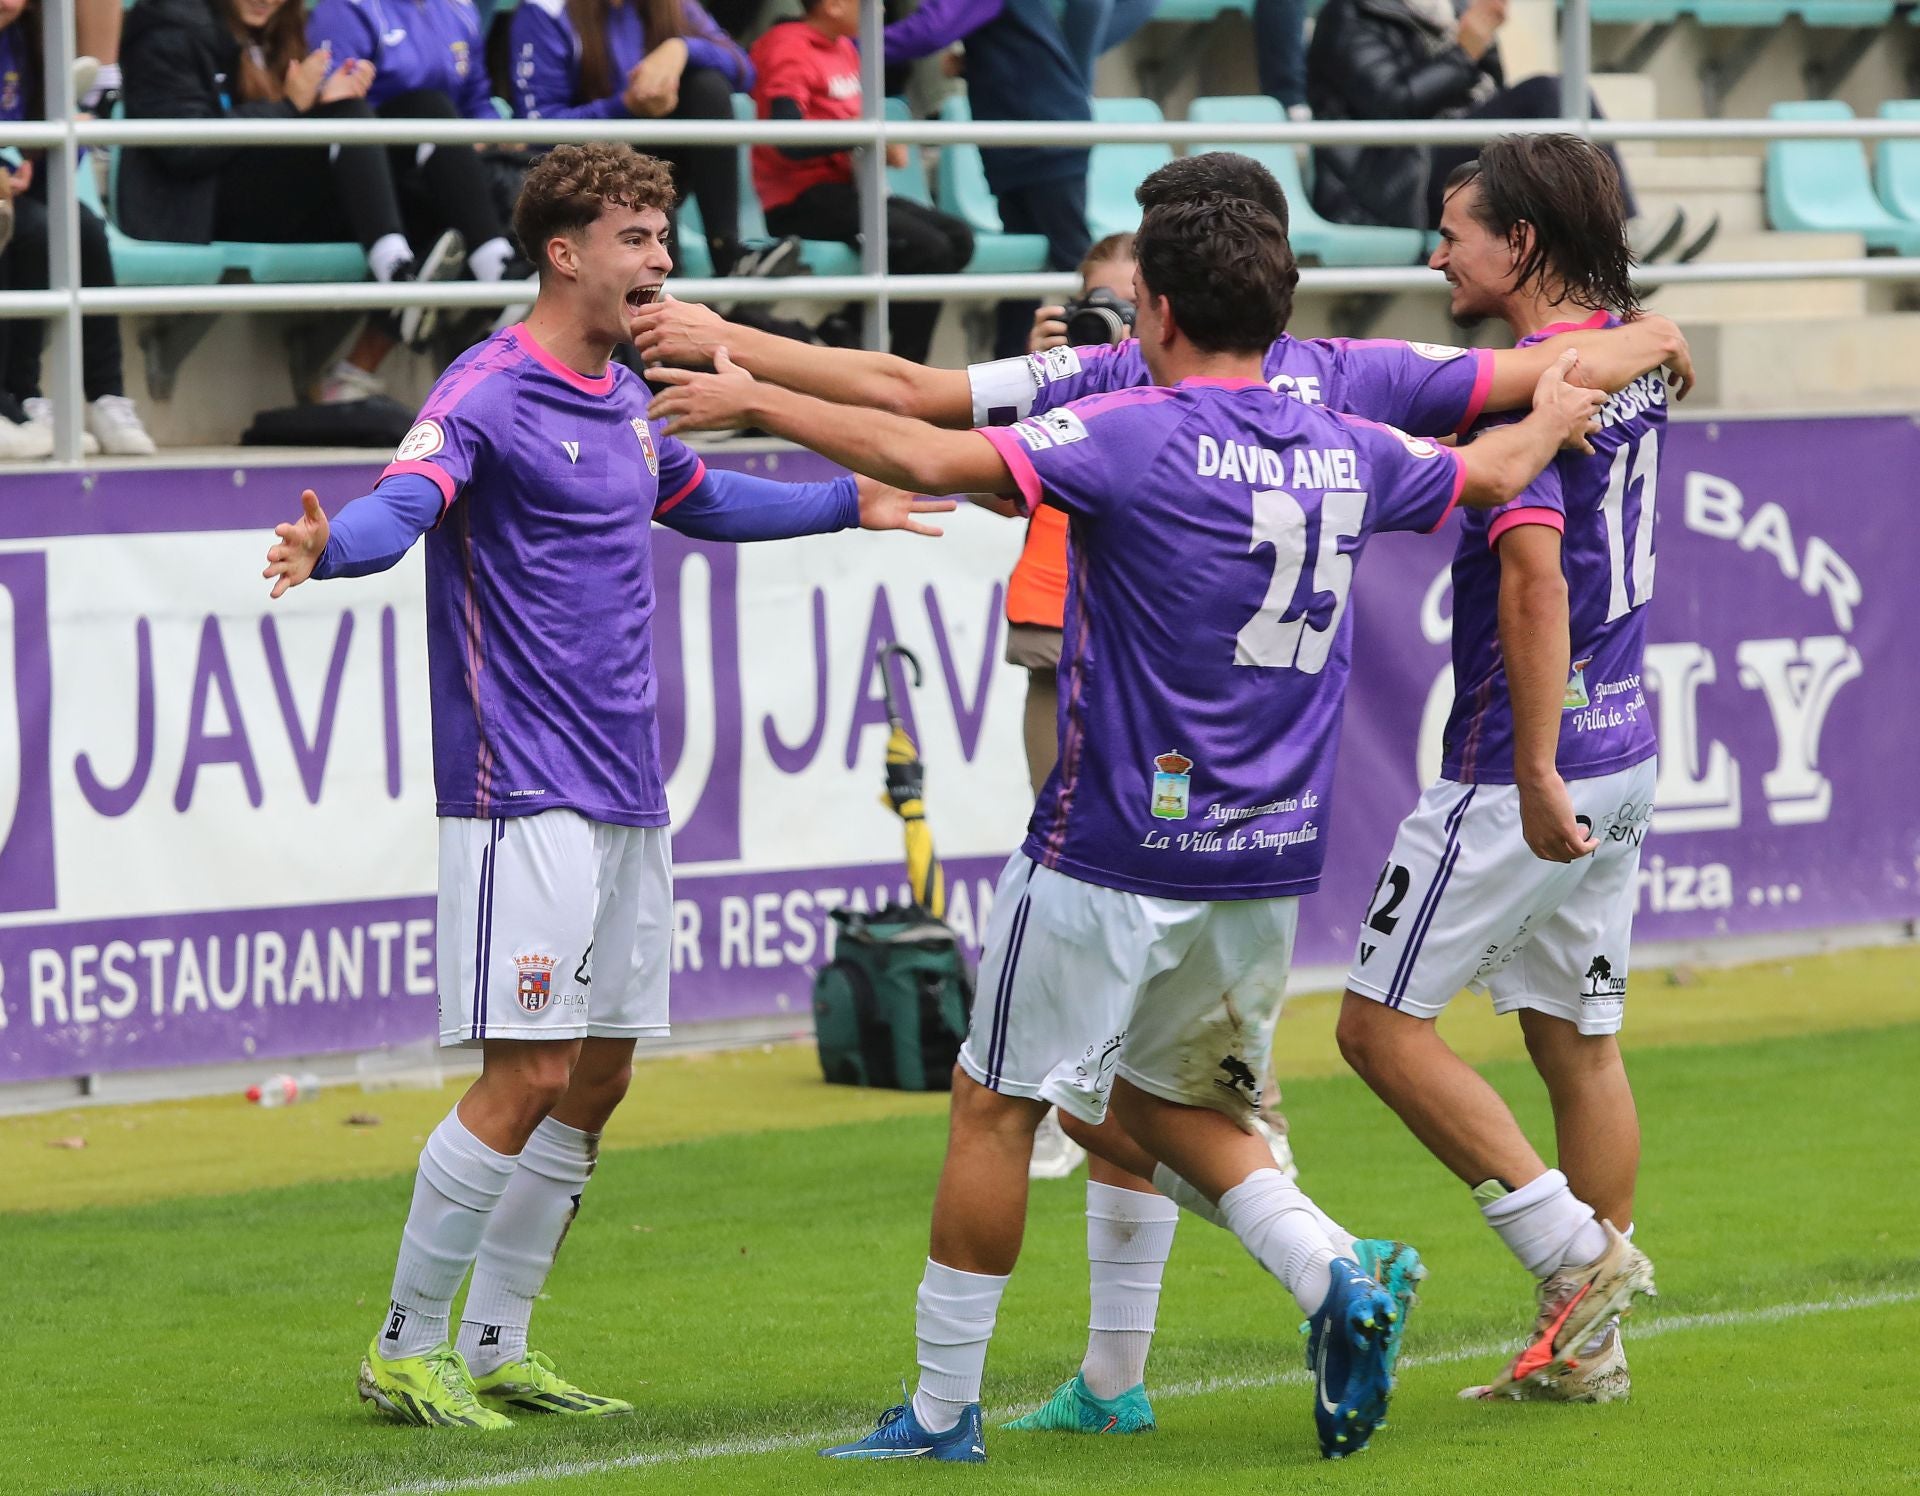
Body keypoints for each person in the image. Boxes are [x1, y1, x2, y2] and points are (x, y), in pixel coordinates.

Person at [647, 192, 1609, 1462]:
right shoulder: (1346, 440)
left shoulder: (1126, 430)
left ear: (1153, 308)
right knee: (1163, 1102)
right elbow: (1486, 472)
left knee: (994, 1099)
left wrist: (758, 403)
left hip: (1111, 843)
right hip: (1266, 862)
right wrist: (1546, 415)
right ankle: (1332, 1268)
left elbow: (933, 453)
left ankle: (939, 1411)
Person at [259, 141, 951, 1430]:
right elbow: (404, 503)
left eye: (664, 236)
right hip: (521, 780)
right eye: (636, 237)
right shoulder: (485, 388)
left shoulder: (627, 393)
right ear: (563, 250)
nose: (661, 262)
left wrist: (847, 500)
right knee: (524, 1072)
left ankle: (501, 1337)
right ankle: (403, 1344)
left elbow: (697, 495)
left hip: (628, 783)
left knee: (599, 1074)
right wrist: (329, 546)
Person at [1335, 132, 1664, 1405]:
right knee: (1576, 1037)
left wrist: (1528, 765)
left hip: (1524, 754)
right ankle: (1588, 1353)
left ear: (1519, 244)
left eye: (1456, 230)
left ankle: (1583, 1260)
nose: (1436, 251)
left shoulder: (1525, 385)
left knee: (1376, 1026)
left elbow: (1532, 577)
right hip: (1626, 735)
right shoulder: (1626, 347)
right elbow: (1661, 338)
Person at [121, 0, 468, 404]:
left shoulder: (284, 32)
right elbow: (185, 148)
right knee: (352, 119)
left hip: (262, 197)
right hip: (199, 208)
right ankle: (398, 278)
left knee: (424, 122)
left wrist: (318, 106)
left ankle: (488, 266)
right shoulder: (170, 26)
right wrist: (290, 108)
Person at [1306, 0, 1714, 262]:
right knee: (1546, 94)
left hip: (1451, 159)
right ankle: (1618, 241)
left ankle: (1614, 240)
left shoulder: (1450, 11)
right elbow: (1394, 104)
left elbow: (1488, 92)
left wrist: (1471, 46)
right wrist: (1465, 49)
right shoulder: (1348, 14)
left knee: (1555, 107)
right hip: (1397, 181)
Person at [307, 0, 528, 393]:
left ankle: (496, 276)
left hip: (436, 180)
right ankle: (401, 275)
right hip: (352, 187)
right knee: (426, 111)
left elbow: (477, 100)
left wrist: (488, 133)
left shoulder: (460, 9)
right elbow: (328, 104)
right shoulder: (346, 7)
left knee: (445, 135)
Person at [749, 0, 972, 364]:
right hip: (800, 199)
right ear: (834, 5)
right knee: (929, 249)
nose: (879, 8)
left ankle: (843, 326)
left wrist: (876, 141)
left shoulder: (844, 47)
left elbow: (856, 123)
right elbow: (786, 141)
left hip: (851, 191)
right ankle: (905, 373)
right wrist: (863, 136)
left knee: (958, 239)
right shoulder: (787, 44)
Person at [877, 0, 1095, 357]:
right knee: (1022, 276)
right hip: (1019, 143)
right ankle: (1010, 376)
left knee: (1075, 264)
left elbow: (929, 32)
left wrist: (846, 49)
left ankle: (1118, 368)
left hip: (1046, 139)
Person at [0, 0, 156, 458]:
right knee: (30, 230)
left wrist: (61, 136)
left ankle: (105, 396)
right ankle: (16, 397)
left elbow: (51, 152)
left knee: (82, 228)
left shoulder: (30, 37)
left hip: (16, 183)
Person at [508, 0, 764, 277]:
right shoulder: (545, 9)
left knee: (707, 86)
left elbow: (744, 71)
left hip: (653, 164)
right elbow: (538, 130)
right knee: (643, 176)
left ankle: (729, 256)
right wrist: (626, 106)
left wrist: (682, 48)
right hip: (584, 172)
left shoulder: (674, 4)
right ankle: (658, 290)